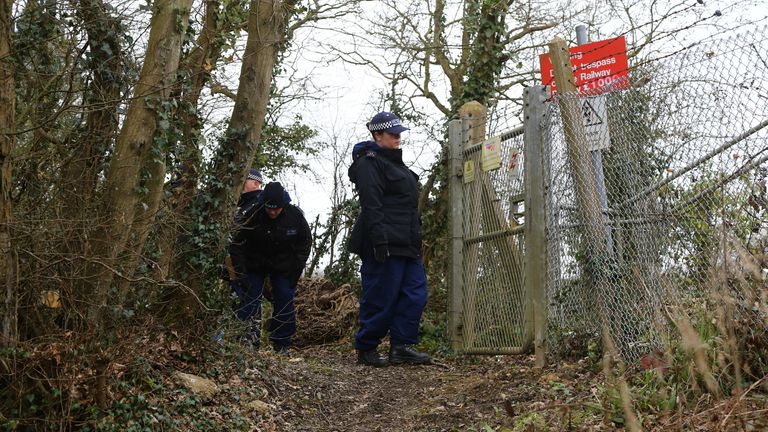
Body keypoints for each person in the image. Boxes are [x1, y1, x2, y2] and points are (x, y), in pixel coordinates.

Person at [347, 111, 432, 367]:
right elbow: (372, 205)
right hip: (382, 243)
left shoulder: (398, 164)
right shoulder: (368, 163)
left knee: (415, 294)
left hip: (407, 243)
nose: (398, 137)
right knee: (381, 296)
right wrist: (379, 242)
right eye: (393, 133)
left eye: (399, 133)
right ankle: (367, 347)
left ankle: (402, 346)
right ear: (377, 135)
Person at [228, 180, 311, 354]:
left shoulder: (295, 216)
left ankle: (282, 343)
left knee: (284, 298)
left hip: (283, 265)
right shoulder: (252, 213)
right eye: (269, 208)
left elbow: (304, 243)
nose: (272, 212)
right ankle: (248, 340)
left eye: (277, 209)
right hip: (255, 263)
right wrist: (240, 272)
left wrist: (295, 270)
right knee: (249, 298)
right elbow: (237, 245)